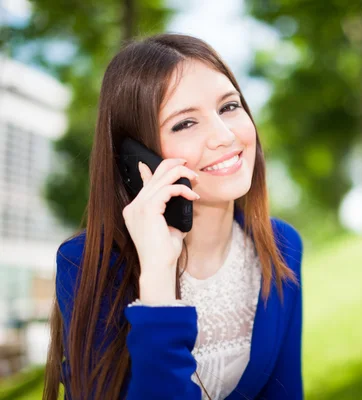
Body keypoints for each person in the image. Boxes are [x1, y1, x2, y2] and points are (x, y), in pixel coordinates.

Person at [42, 33, 304, 400]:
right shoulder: (88, 263)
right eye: (185, 123)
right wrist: (158, 282)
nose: (225, 136)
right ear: (137, 159)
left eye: (229, 106)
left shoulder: (281, 245)